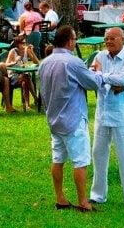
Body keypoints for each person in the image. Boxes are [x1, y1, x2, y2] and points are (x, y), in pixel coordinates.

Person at [38, 26, 102, 211]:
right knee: (80, 161)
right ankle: (83, 201)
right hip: (73, 119)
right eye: (74, 39)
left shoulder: (45, 62)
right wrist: (97, 71)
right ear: (69, 41)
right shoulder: (72, 62)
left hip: (54, 119)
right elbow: (93, 83)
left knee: (57, 159)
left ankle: (60, 198)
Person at [89, 28, 124, 207]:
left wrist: (103, 76)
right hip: (103, 114)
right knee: (98, 154)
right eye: (106, 39)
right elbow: (91, 76)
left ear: (122, 39)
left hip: (122, 115)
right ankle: (97, 194)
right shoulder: (100, 56)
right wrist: (111, 80)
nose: (108, 42)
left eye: (112, 38)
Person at [3, 33, 40, 110]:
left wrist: (32, 51)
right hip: (13, 76)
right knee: (26, 77)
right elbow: (5, 64)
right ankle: (36, 98)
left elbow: (37, 63)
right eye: (22, 43)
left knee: (25, 80)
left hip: (23, 74)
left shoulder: (26, 51)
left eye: (25, 43)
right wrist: (14, 62)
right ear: (18, 44)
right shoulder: (13, 51)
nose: (24, 45)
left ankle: (27, 105)